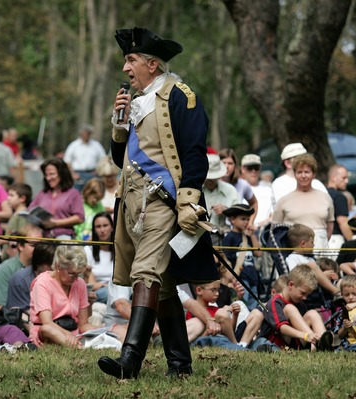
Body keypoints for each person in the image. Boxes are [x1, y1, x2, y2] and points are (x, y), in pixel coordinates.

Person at [97, 27, 219, 379]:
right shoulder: (136, 103)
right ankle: (180, 365)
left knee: (146, 274)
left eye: (131, 60)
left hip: (164, 202)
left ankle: (129, 360)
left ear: (152, 64)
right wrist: (119, 127)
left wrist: (189, 200)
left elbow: (195, 152)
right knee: (163, 286)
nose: (125, 68)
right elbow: (121, 160)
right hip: (133, 204)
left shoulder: (179, 96)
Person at [29, 246, 100, 347]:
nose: (75, 278)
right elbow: (47, 322)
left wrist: (107, 330)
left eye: (78, 274)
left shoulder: (80, 283)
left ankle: (79, 345)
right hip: (47, 333)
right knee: (47, 329)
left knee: (111, 330)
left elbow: (83, 325)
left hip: (74, 332)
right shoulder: (42, 283)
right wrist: (68, 334)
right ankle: (78, 347)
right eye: (71, 274)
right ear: (58, 266)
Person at [258, 264, 333, 351]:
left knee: (312, 314)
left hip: (297, 342)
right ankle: (318, 343)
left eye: (307, 295)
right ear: (291, 285)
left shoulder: (300, 303)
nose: (305, 298)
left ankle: (323, 344)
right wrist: (306, 336)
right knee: (289, 308)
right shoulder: (275, 301)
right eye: (303, 293)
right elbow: (282, 328)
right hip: (278, 343)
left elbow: (302, 325)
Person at [272, 153, 334, 257]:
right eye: (299, 172)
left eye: (307, 172)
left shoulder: (325, 197)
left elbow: (330, 225)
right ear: (294, 174)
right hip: (293, 252)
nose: (303, 176)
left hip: (320, 249)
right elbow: (276, 230)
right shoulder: (283, 201)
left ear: (313, 174)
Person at [28, 158, 84, 239]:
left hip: (63, 235)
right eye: (46, 175)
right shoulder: (42, 194)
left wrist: (56, 223)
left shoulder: (73, 193)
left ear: (62, 174)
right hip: (43, 236)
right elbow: (31, 210)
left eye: (52, 174)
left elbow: (80, 218)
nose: (48, 178)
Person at [0, 224, 43, 312]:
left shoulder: (44, 268)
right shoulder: (6, 270)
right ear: (21, 246)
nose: (39, 249)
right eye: (33, 245)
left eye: (41, 245)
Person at [221, 204, 262, 310]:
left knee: (253, 308)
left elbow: (258, 253)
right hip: (240, 279)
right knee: (242, 307)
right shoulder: (229, 238)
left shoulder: (248, 237)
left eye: (248, 219)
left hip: (253, 278)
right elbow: (227, 260)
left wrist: (252, 235)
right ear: (233, 220)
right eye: (243, 219)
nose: (246, 222)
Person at [7, 244, 55, 319]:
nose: (52, 267)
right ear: (38, 262)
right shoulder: (20, 280)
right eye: (49, 263)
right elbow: (19, 313)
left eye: (54, 263)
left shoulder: (59, 278)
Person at [202, 154, 240, 245]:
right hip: (201, 237)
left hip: (224, 237)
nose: (211, 180)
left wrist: (227, 211)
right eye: (209, 178)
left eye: (213, 178)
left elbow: (240, 217)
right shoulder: (196, 190)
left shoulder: (230, 190)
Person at [219, 148, 258, 221]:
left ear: (235, 166)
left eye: (230, 163)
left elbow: (254, 203)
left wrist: (250, 223)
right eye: (223, 163)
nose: (226, 166)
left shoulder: (242, 184)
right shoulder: (211, 183)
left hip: (236, 230)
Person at [63, 124, 106, 191]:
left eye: (88, 133)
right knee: (77, 196)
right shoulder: (73, 145)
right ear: (80, 134)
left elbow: (103, 159)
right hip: (78, 175)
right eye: (85, 133)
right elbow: (67, 161)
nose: (86, 135)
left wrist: (98, 171)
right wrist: (72, 174)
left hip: (92, 174)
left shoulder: (96, 145)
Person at [332, 275, 356, 352]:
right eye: (346, 295)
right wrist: (345, 327)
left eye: (355, 294)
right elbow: (340, 335)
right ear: (342, 294)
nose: (351, 297)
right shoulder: (342, 312)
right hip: (348, 345)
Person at [84, 212, 114, 304]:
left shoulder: (120, 251)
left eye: (105, 225)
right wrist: (105, 286)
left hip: (118, 291)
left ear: (112, 227)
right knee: (108, 293)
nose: (102, 230)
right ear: (94, 230)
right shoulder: (88, 250)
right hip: (99, 292)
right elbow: (90, 284)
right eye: (98, 226)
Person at [240, 154, 274, 229]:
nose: (253, 171)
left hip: (264, 231)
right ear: (243, 169)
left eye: (256, 168)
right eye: (250, 168)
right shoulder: (237, 188)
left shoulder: (268, 189)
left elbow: (273, 214)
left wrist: (258, 225)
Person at [327, 164, 352, 257]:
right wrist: (353, 243)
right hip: (336, 241)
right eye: (344, 178)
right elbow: (342, 222)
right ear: (333, 177)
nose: (347, 181)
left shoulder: (320, 194)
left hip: (321, 240)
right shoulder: (339, 197)